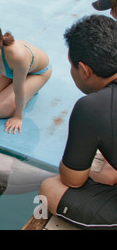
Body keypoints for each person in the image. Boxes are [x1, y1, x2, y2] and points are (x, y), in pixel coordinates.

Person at [39, 15, 117, 230]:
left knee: (50, 188)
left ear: (85, 70)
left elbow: (73, 179)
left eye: (72, 67)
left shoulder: (92, 107)